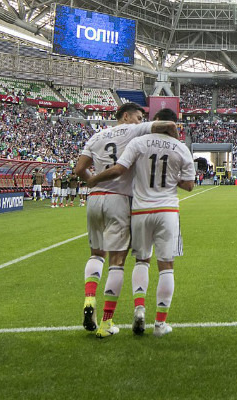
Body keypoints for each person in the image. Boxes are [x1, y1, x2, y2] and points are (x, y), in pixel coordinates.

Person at [87, 107, 194, 337]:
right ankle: (160, 325)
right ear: (173, 124)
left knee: (141, 261)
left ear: (155, 122)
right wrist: (171, 179)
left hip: (140, 210)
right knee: (166, 265)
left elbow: (121, 168)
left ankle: (139, 308)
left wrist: (94, 179)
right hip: (167, 209)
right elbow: (189, 185)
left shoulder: (139, 142)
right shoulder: (182, 148)